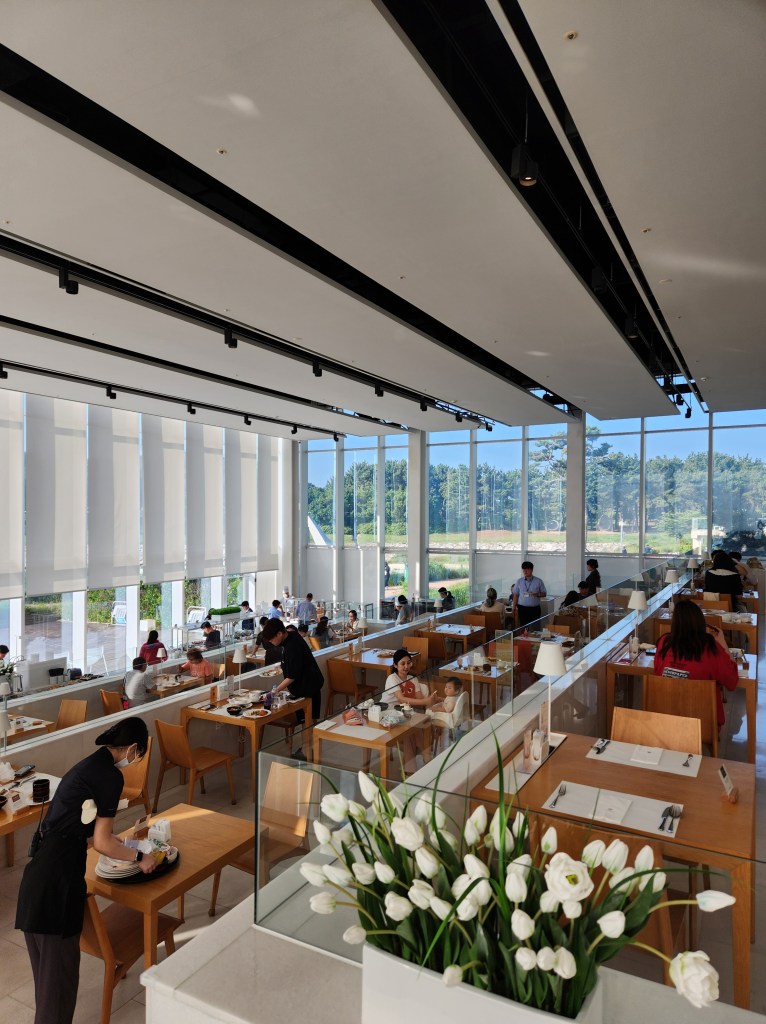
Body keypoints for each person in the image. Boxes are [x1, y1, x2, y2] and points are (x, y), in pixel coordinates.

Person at [15, 718, 157, 1024]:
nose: (136, 759)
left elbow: (87, 834)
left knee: (49, 994)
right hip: (56, 891)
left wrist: (117, 842)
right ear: (133, 748)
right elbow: (103, 843)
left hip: (37, 882)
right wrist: (140, 857)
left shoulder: (89, 765)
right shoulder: (110, 777)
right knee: (57, 1000)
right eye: (139, 754)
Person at [653, 600, 738, 727]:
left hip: (666, 721)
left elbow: (657, 671)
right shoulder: (710, 648)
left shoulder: (664, 642)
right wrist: (722, 642)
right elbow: (732, 681)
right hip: (703, 725)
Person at [260, 618, 324, 720]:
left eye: (271, 640)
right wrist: (282, 665)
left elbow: (292, 676)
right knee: (306, 720)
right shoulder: (291, 634)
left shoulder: (292, 646)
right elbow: (296, 662)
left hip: (308, 687)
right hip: (307, 684)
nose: (271, 642)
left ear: (279, 633)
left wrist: (274, 691)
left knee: (308, 721)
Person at [510, 561, 547, 629]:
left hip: (535, 609)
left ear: (532, 570)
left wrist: (538, 594)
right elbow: (516, 595)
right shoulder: (519, 581)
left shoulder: (538, 581)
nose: (525, 571)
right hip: (522, 609)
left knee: (535, 628)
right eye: (523, 570)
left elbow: (544, 593)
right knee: (523, 627)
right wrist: (513, 607)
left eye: (527, 569)